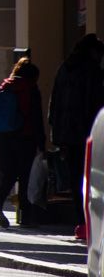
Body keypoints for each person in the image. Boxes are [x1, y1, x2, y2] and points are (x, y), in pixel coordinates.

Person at [48, 34, 104, 224]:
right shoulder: (92, 71)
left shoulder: (64, 69)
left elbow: (54, 101)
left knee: (76, 177)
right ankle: (91, 220)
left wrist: (56, 133)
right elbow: (95, 104)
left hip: (66, 134)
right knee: (94, 178)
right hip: (88, 133)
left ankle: (81, 220)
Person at [0, 58, 45, 228]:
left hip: (4, 137)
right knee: (25, 176)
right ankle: (26, 217)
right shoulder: (31, 89)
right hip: (25, 137)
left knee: (9, 174)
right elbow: (36, 117)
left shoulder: (3, 87)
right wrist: (41, 142)